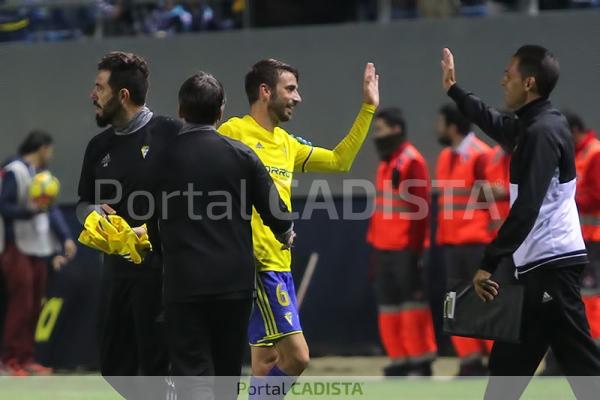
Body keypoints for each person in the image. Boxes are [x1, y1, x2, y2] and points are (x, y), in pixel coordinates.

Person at [441, 45, 600, 398]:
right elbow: (496, 123)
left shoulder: (541, 132)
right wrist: (455, 91)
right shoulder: (537, 124)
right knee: (508, 370)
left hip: (552, 267)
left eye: (508, 75)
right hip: (538, 267)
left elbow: (527, 207)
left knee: (583, 369)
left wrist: (488, 262)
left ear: (528, 82)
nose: (502, 81)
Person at [218, 59, 378, 397]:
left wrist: (367, 108)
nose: (298, 97)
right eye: (290, 89)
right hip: (257, 266)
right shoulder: (233, 132)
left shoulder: (287, 144)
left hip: (280, 264)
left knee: (266, 361)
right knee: (298, 357)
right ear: (265, 91)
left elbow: (339, 161)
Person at [159, 72, 295, 400]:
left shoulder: (163, 157)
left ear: (180, 110)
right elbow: (276, 212)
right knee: (226, 375)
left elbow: (142, 214)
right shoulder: (242, 155)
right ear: (221, 111)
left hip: (184, 283)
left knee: (193, 374)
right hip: (234, 285)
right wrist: (285, 233)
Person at [76, 52, 181, 389]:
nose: (93, 95)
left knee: (158, 368)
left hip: (164, 274)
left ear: (122, 95)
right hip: (115, 274)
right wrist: (92, 217)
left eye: (99, 88)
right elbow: (83, 202)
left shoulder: (171, 134)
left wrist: (150, 230)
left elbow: (196, 199)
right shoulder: (97, 147)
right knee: (113, 369)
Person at [366, 107, 437, 376]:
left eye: (380, 130)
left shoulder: (411, 161)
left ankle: (420, 359)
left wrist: (416, 252)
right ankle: (399, 359)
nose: (376, 136)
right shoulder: (387, 163)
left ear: (396, 129)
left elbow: (421, 212)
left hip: (406, 249)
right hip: (383, 248)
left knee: (412, 306)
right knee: (389, 306)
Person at [0, 131, 77, 376]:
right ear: (43, 148)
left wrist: (65, 237)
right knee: (20, 304)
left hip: (38, 247)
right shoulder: (15, 171)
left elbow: (50, 209)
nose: (51, 155)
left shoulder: (42, 177)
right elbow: (4, 205)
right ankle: (10, 359)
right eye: (50, 150)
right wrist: (30, 211)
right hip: (16, 245)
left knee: (35, 304)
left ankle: (27, 356)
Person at [434, 103, 492, 375]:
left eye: (440, 123)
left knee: (487, 301)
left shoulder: (482, 156)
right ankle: (469, 360)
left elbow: (494, 203)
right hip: (452, 242)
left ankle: (496, 359)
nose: (437, 128)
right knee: (455, 302)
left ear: (452, 126)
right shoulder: (446, 157)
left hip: (478, 241)